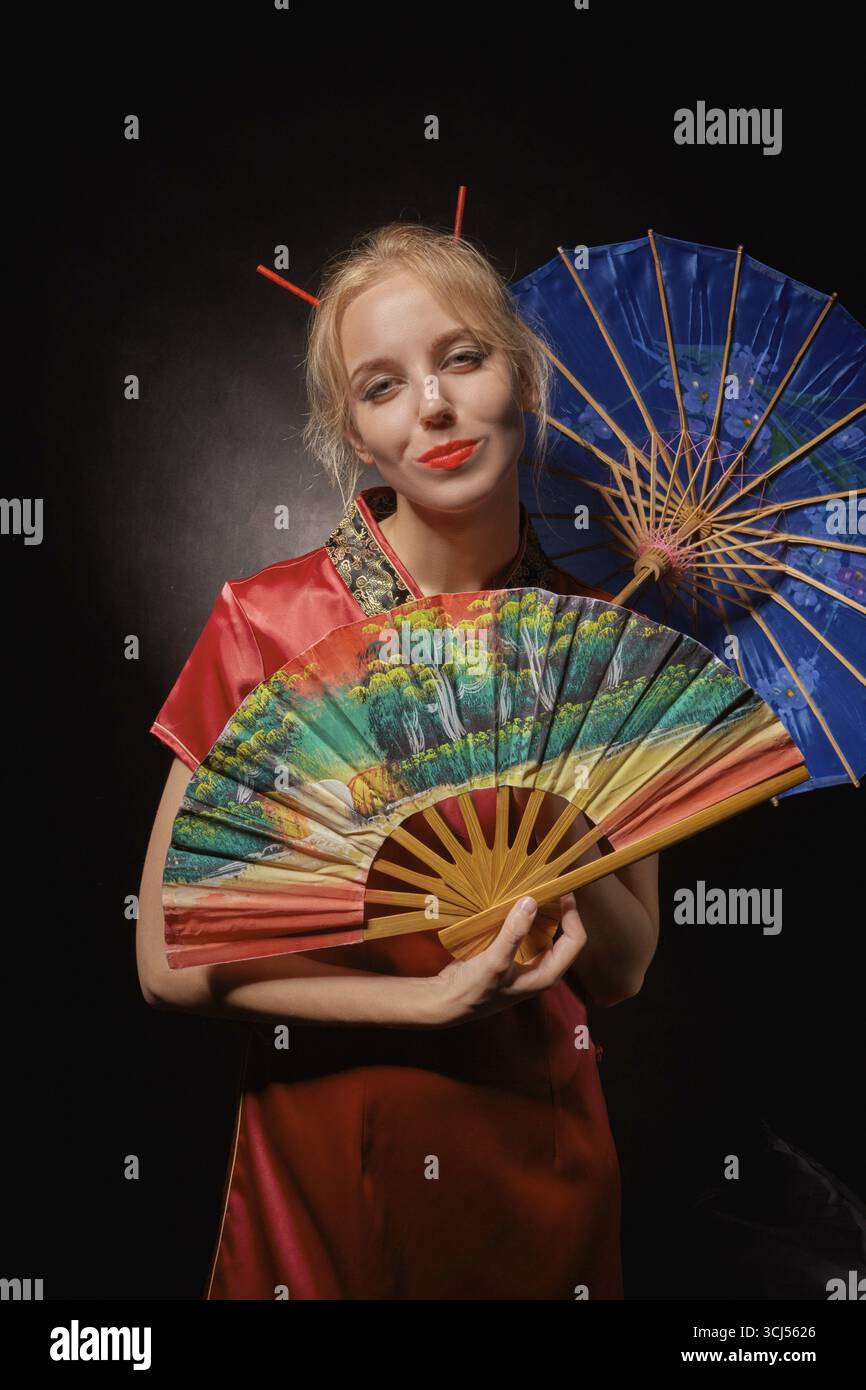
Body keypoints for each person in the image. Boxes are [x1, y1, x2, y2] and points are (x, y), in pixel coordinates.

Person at [136, 222, 660, 1300]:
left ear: (520, 373)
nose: (432, 406)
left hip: (538, 1165)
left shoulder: (603, 641)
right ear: (354, 436)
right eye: (383, 387)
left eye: (461, 358)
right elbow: (168, 961)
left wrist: (549, 794)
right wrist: (426, 1007)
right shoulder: (265, 627)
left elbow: (619, 968)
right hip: (325, 1160)